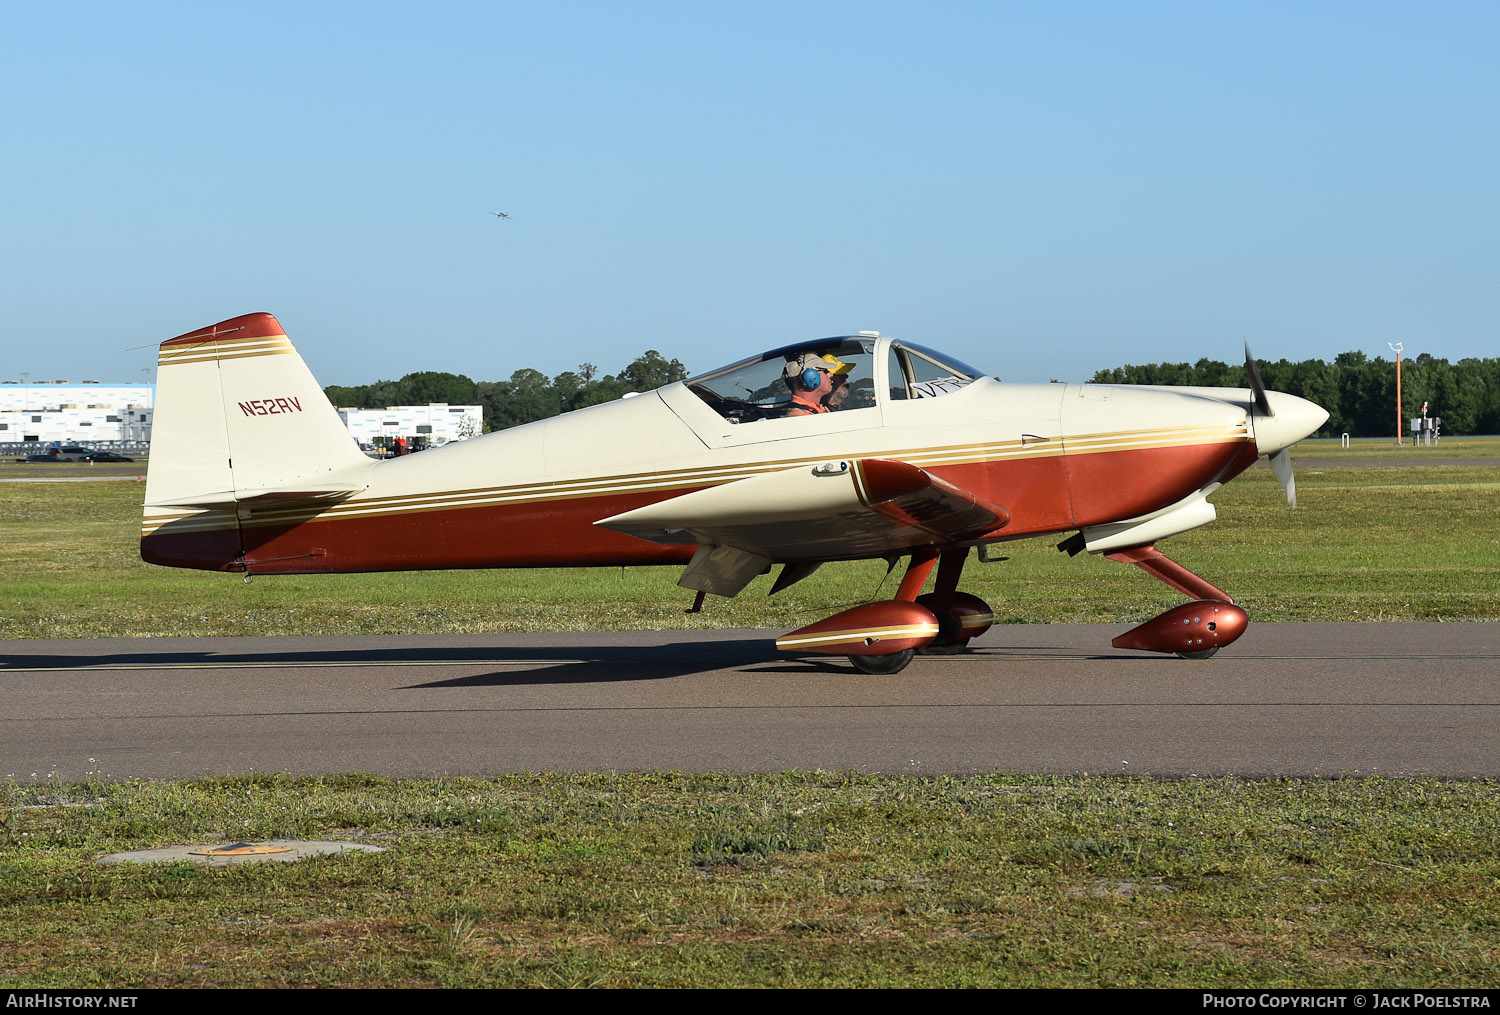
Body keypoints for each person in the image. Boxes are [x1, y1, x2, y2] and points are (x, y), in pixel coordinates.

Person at [781, 352, 852, 417]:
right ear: (811, 377)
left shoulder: (818, 409)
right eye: (825, 371)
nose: (830, 375)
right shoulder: (800, 416)